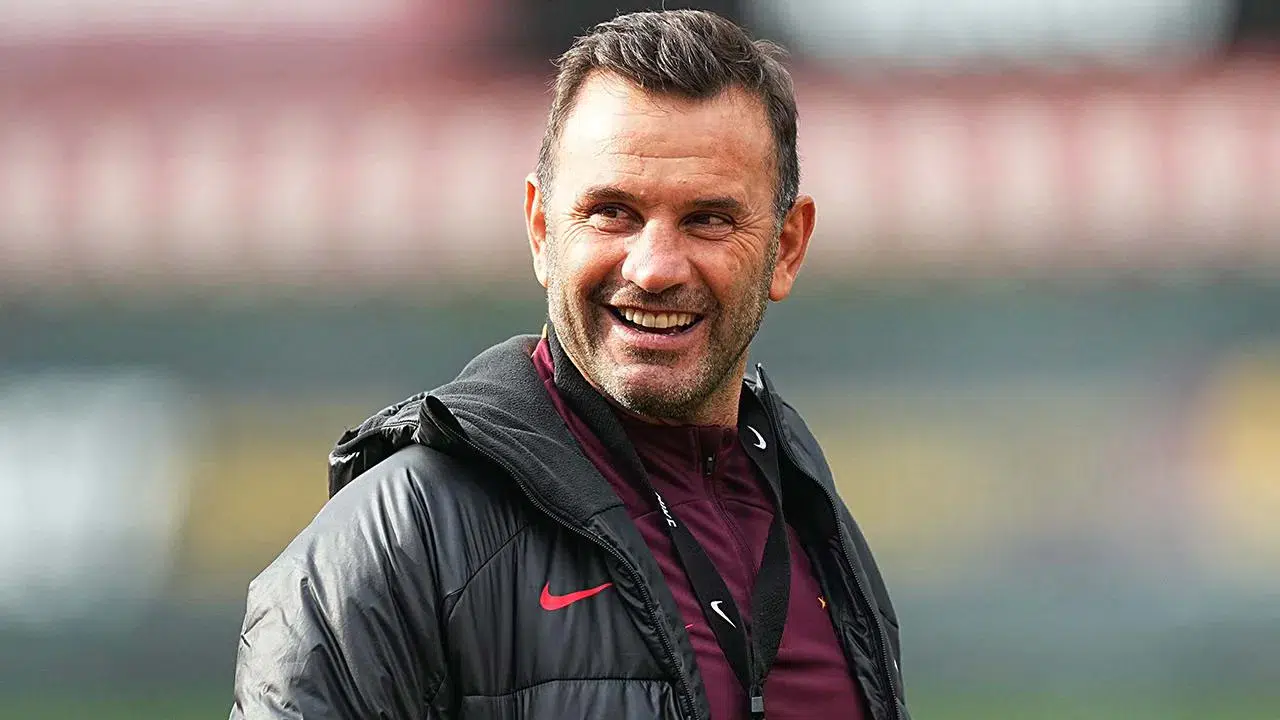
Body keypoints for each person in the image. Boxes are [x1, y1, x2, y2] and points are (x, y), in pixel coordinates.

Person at [231, 9, 908, 720]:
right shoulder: (398, 541)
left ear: (788, 247)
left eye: (708, 219)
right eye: (612, 212)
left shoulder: (812, 521)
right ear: (541, 230)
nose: (653, 269)